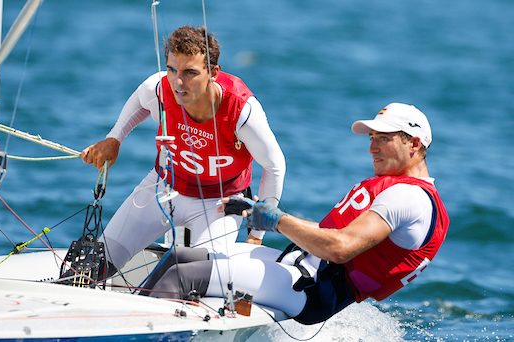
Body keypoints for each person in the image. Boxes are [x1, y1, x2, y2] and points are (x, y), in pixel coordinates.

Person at [142, 102, 449, 325]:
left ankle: (142, 328)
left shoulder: (408, 197)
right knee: (181, 256)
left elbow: (340, 248)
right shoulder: (402, 190)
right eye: (371, 138)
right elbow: (330, 234)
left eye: (383, 138)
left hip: (313, 289)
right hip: (300, 267)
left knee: (184, 276)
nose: (372, 148)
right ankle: (129, 316)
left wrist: (277, 220)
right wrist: (259, 213)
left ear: (415, 143)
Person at [81, 26, 286, 272]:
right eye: (171, 69)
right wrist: (114, 139)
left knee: (190, 279)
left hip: (218, 204)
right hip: (163, 187)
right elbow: (139, 102)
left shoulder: (241, 111)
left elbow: (275, 167)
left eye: (190, 72)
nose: (178, 82)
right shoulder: (158, 88)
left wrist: (255, 235)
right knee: (93, 265)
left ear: (213, 73)